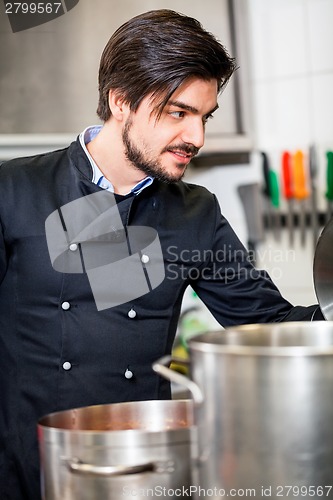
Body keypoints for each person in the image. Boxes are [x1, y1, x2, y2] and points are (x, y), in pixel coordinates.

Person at [0, 9, 323, 500]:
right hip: (27, 470)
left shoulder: (195, 212)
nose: (196, 137)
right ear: (120, 101)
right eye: (178, 112)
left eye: (204, 116)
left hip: (146, 472)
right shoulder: (16, 190)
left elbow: (266, 324)